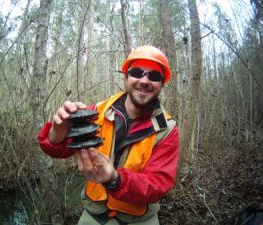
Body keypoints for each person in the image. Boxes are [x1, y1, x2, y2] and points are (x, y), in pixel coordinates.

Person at [38, 45, 179, 225]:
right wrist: (57, 131)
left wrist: (115, 179)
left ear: (162, 84)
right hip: (93, 213)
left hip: (138, 218)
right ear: (126, 76)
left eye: (154, 76)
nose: (144, 81)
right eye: (137, 72)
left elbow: (159, 184)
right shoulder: (97, 112)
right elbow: (58, 149)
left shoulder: (167, 129)